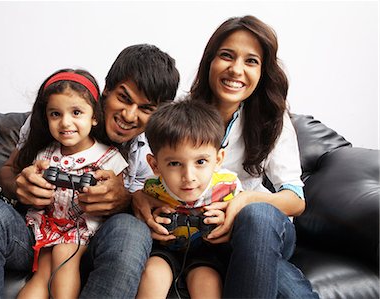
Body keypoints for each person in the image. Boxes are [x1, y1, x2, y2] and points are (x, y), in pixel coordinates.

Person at [0, 44, 180, 298]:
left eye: (146, 109)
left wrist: (125, 197)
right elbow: (9, 170)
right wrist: (20, 185)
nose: (129, 114)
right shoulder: (61, 114)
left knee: (131, 231)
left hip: (96, 243)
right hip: (36, 234)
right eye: (123, 98)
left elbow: (160, 209)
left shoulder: (160, 149)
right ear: (106, 90)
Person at [133, 16, 319, 298]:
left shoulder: (271, 119)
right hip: (203, 236)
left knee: (256, 217)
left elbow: (295, 200)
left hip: (260, 231)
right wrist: (140, 196)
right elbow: (152, 175)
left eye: (251, 61)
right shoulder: (181, 115)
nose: (236, 70)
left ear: (263, 71)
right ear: (210, 61)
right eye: (227, 56)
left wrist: (243, 201)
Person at [14, 68, 128, 298]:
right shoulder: (45, 154)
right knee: (42, 273)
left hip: (81, 228)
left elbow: (117, 194)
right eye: (55, 114)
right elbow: (28, 180)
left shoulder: (108, 157)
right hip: (47, 224)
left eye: (76, 112)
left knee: (64, 258)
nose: (65, 122)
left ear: (94, 116)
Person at [136, 98, 243, 299]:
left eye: (201, 162)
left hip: (207, 254)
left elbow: (244, 220)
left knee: (207, 281)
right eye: (175, 163)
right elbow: (142, 218)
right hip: (165, 251)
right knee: (152, 274)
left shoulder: (229, 187)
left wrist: (228, 219)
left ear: (218, 159)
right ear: (155, 165)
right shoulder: (151, 190)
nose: (189, 176)